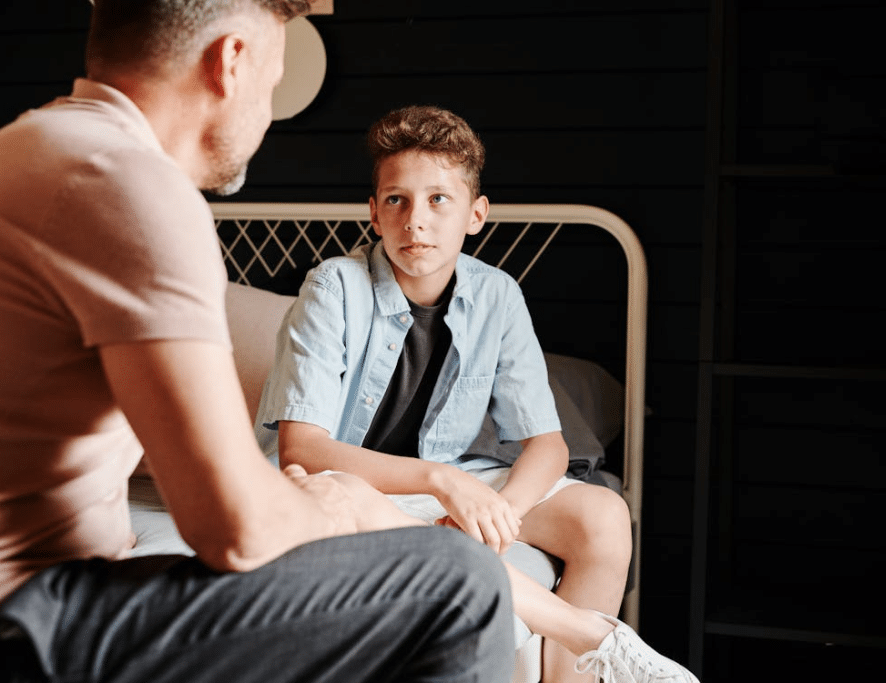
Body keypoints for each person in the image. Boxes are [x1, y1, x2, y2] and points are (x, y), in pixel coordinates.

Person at [0, 3, 516, 682]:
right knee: (462, 582)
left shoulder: (24, 147)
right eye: (272, 84)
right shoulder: (131, 186)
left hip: (53, 598)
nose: (265, 116)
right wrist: (327, 504)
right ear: (230, 60)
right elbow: (233, 526)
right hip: (23, 620)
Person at [255, 104, 701, 683]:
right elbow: (302, 451)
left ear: (476, 214)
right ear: (373, 212)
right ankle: (593, 634)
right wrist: (445, 483)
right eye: (397, 199)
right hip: (346, 482)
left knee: (603, 515)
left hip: (451, 480)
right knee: (344, 492)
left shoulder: (498, 294)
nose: (416, 220)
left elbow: (548, 447)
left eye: (439, 199)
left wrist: (497, 516)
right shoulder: (331, 287)